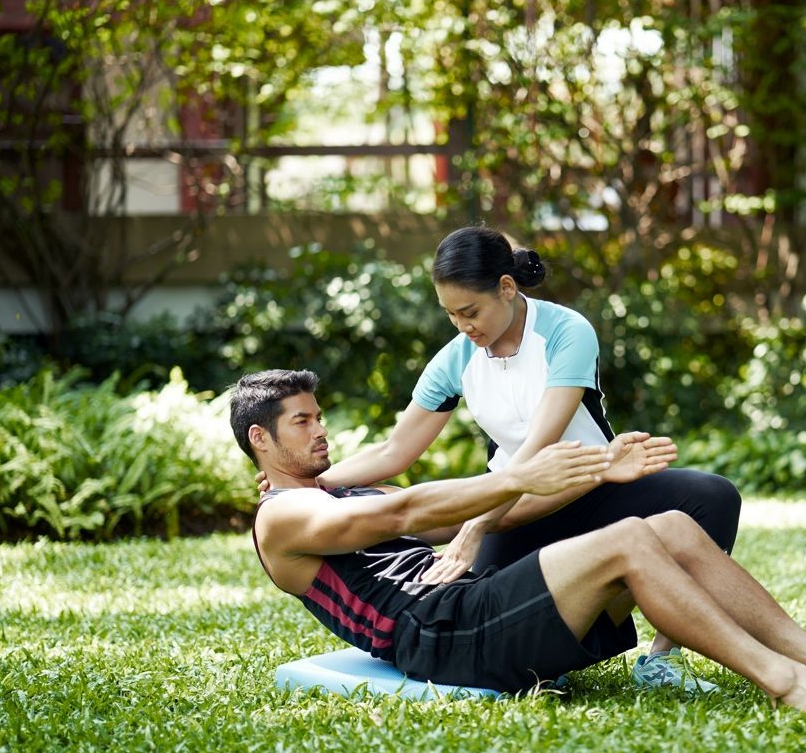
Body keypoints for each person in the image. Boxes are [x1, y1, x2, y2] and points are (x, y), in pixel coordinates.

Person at [232, 369, 806, 713]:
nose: (320, 430)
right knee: (627, 540)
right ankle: (788, 683)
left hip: (470, 605)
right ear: (261, 439)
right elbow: (406, 508)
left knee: (672, 526)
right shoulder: (283, 518)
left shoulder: (344, 492)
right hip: (436, 637)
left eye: (319, 416)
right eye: (302, 421)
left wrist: (596, 469)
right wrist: (521, 471)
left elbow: (490, 515)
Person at [298, 225, 744, 693]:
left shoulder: (564, 332)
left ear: (507, 289)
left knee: (710, 498)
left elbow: (538, 447)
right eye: (451, 315)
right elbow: (395, 451)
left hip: (597, 488)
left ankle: (659, 661)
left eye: (470, 312)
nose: (462, 327)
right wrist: (313, 483)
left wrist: (475, 527)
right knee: (506, 628)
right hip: (517, 509)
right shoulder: (456, 359)